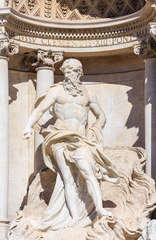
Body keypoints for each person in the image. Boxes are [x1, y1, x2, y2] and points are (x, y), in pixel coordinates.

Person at [23, 58, 119, 230]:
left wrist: (95, 128)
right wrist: (28, 126)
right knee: (66, 177)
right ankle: (75, 218)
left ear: (79, 73)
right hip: (59, 137)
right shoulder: (57, 91)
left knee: (88, 171)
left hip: (81, 139)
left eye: (72, 71)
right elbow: (40, 110)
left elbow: (101, 116)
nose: (68, 75)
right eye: (66, 72)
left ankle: (99, 209)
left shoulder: (88, 94)